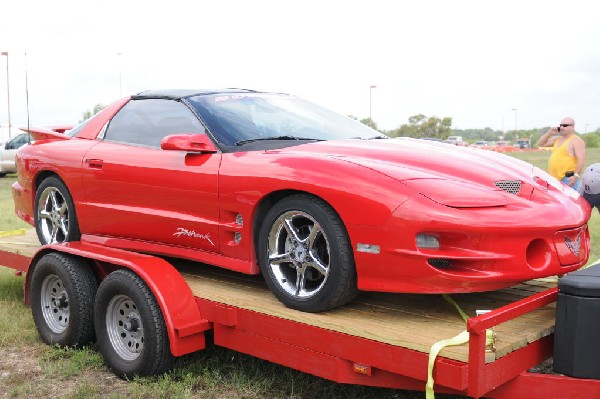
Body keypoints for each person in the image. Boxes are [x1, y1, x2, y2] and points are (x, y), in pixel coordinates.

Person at [536, 117, 586, 191]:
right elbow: (540, 143)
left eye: (565, 125)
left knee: (573, 201)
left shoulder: (576, 140)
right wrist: (549, 133)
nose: (562, 127)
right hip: (554, 179)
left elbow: (581, 159)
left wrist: (575, 176)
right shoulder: (557, 139)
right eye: (561, 125)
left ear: (572, 127)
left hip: (568, 179)